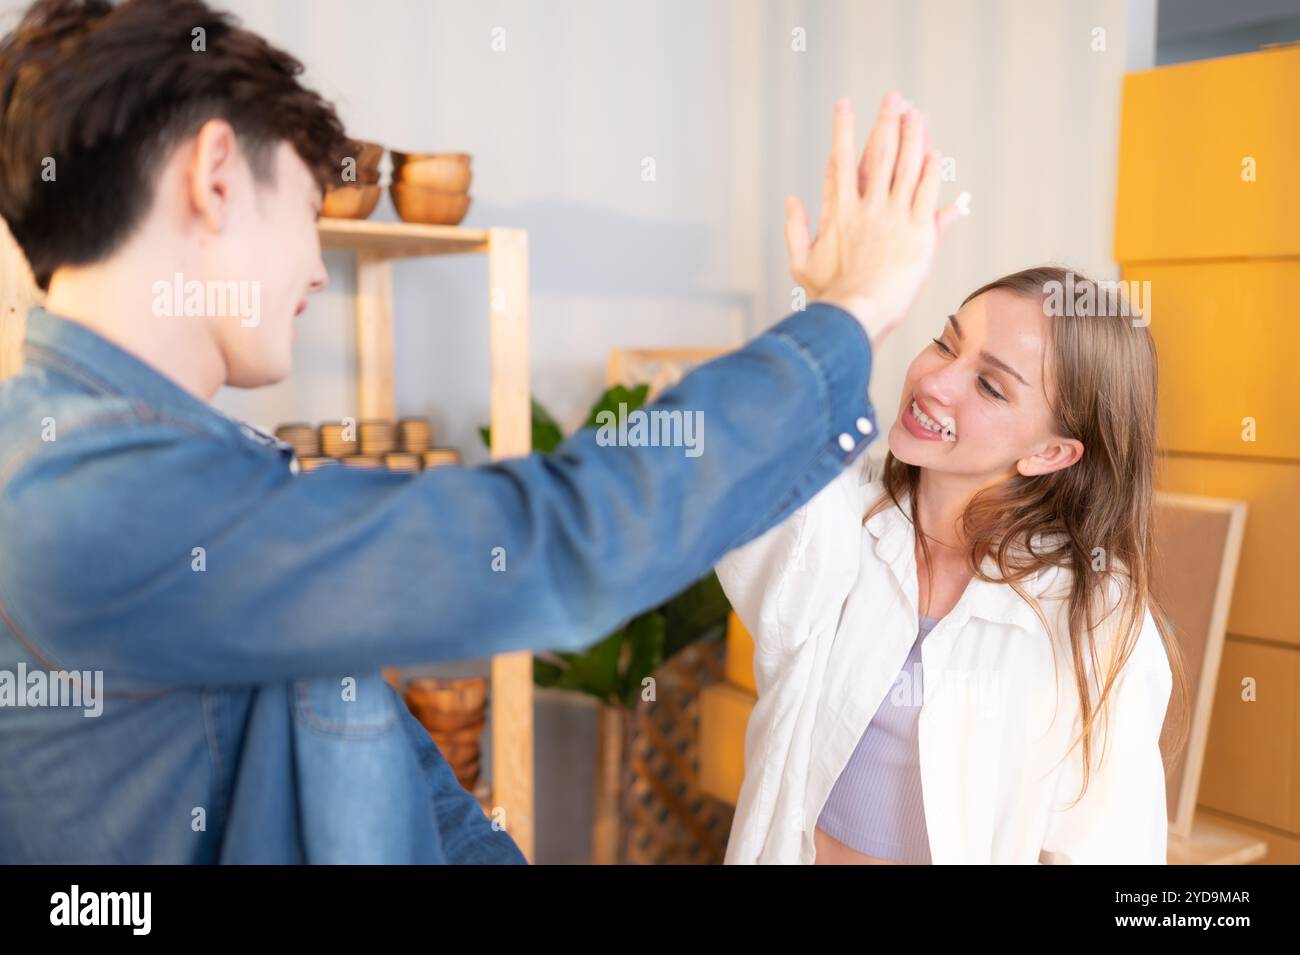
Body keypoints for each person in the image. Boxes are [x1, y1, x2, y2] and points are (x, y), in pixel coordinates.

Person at [0, 0, 963, 862]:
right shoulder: (94, 494)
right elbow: (553, 538)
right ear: (214, 176)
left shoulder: (179, 464)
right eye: (304, 210)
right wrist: (847, 314)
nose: (317, 272)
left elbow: (407, 774)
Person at [716, 263, 1191, 864]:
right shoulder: (842, 518)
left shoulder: (1097, 620)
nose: (936, 381)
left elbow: (1108, 852)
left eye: (990, 386)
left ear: (1049, 452)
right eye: (945, 342)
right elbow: (735, 470)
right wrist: (838, 307)